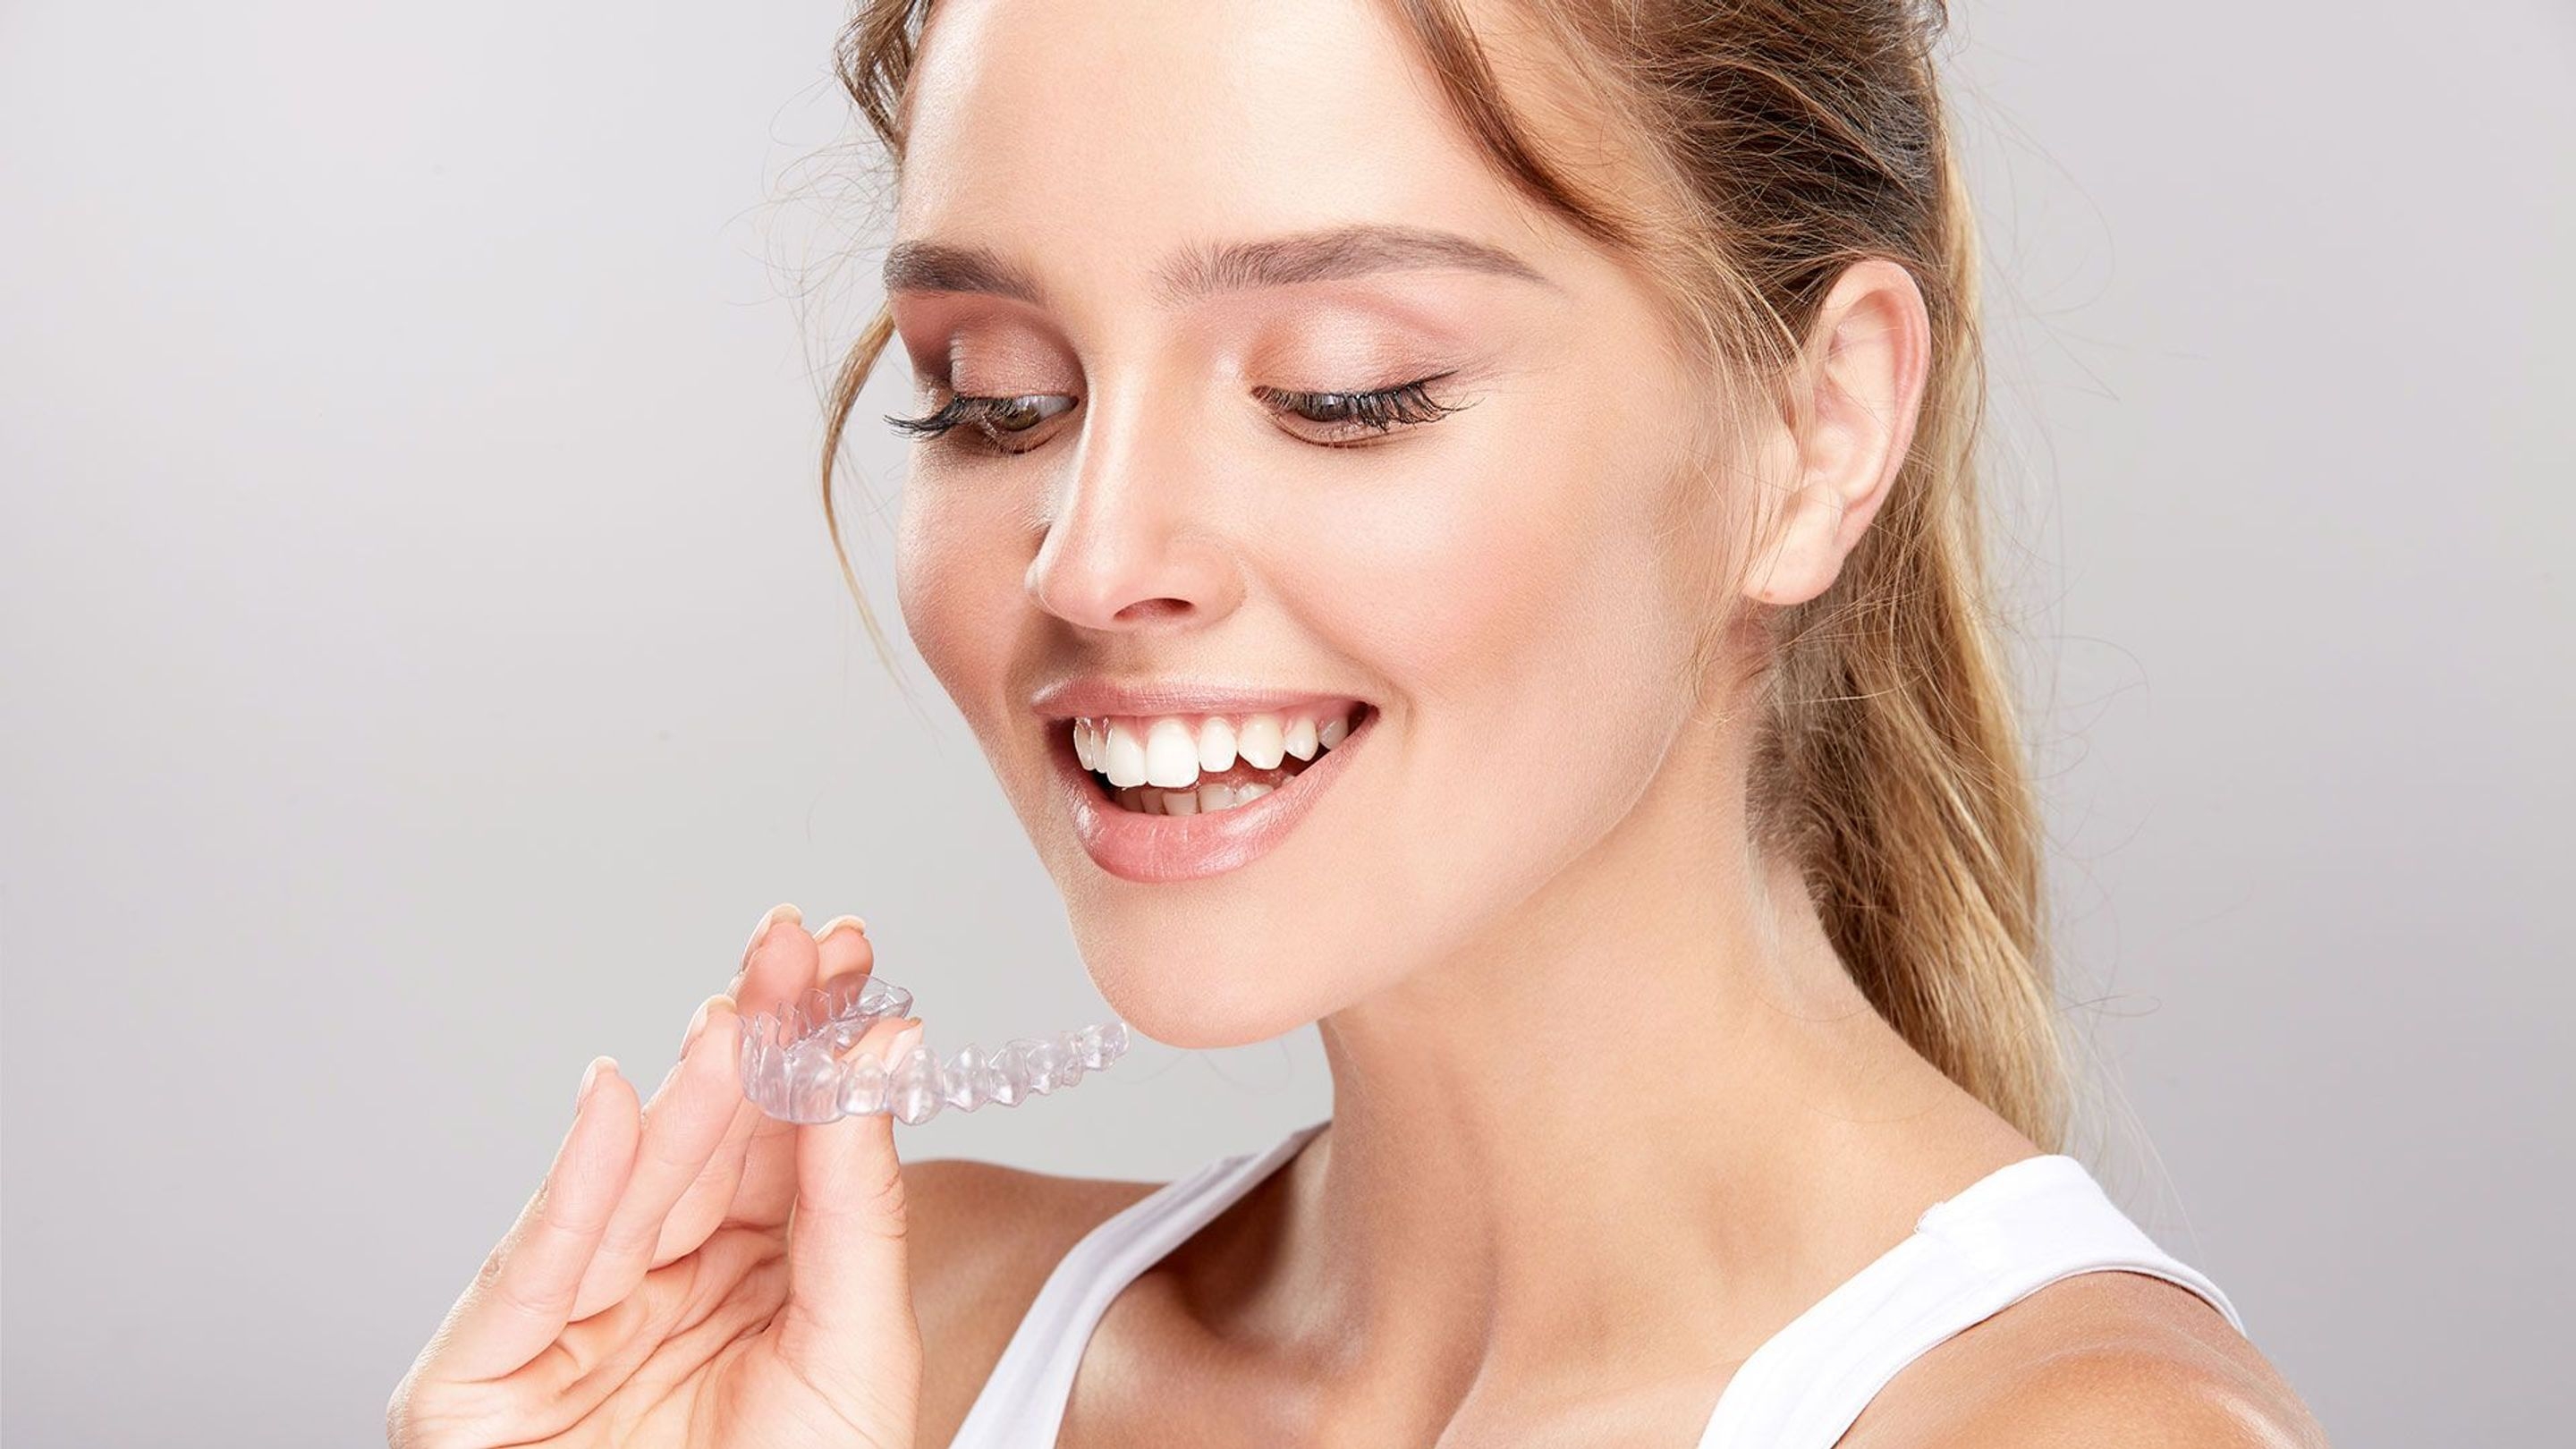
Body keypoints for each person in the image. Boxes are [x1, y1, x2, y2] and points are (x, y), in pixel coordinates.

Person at [388, 1, 2331, 1445]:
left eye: (1345, 390)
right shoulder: (883, 1349)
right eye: (993, 395)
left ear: (1814, 438)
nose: (1093, 555)